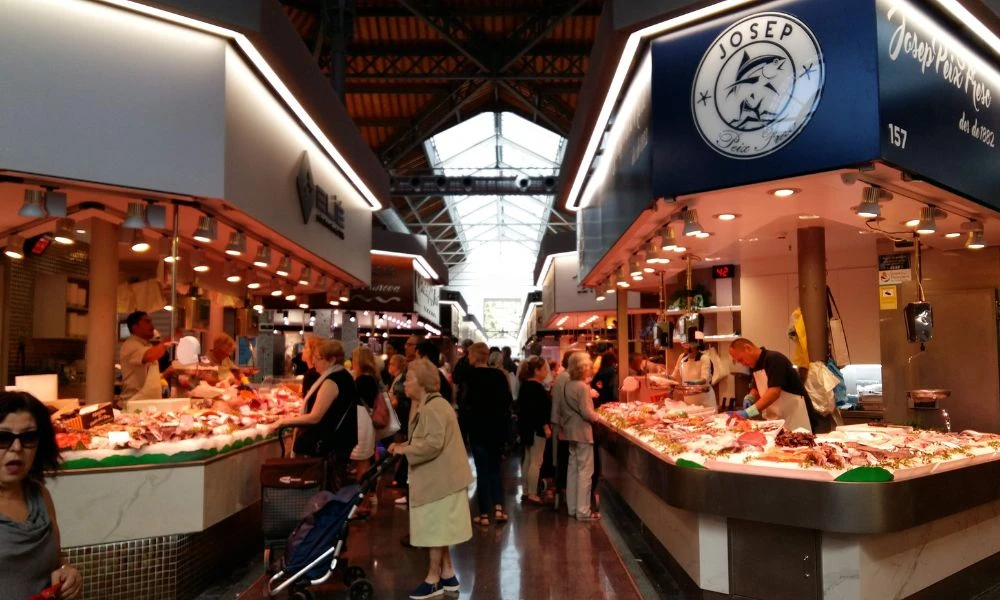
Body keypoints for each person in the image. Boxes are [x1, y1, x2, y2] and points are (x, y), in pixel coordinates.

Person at [388, 359, 473, 600]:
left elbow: (433, 444)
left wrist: (405, 450)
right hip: (443, 479)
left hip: (441, 481)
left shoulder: (434, 407)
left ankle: (432, 579)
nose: (405, 383)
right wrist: (404, 445)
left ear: (423, 382)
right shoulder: (432, 404)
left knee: (435, 530)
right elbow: (426, 439)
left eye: (410, 378)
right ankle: (449, 575)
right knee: (440, 529)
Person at [0, 392, 83, 600]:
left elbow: (56, 561)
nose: (16, 448)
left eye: (28, 437)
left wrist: (67, 572)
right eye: (3, 438)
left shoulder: (40, 496)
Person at [278, 339, 359, 490]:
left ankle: (327, 511)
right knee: (335, 482)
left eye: (318, 358)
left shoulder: (332, 381)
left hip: (330, 443)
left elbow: (315, 417)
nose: (314, 361)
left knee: (328, 484)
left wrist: (283, 421)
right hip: (342, 440)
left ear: (332, 359)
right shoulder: (342, 375)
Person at [465, 342, 513, 526]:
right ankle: (499, 508)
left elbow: (466, 403)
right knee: (495, 468)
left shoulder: (471, 377)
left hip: (478, 429)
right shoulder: (499, 376)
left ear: (475, 356)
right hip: (496, 429)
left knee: (482, 470)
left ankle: (484, 513)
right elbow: (507, 401)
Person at [728, 338, 816, 432]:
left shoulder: (774, 359)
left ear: (747, 348)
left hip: (796, 416)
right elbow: (756, 387)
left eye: (741, 360)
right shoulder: (754, 365)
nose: (743, 364)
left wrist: (749, 412)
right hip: (778, 418)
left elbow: (774, 392)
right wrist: (750, 397)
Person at [555, 352, 600, 521]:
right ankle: (583, 511)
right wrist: (599, 417)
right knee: (585, 472)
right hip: (582, 432)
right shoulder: (582, 387)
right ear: (582, 368)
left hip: (569, 431)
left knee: (572, 469)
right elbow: (587, 413)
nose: (590, 369)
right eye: (588, 366)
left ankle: (572, 508)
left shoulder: (568, 384)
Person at [516, 356, 551, 505]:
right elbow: (540, 411)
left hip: (525, 428)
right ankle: (532, 493)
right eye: (543, 369)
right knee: (536, 461)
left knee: (528, 460)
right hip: (537, 429)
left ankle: (525, 491)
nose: (545, 372)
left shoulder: (524, 386)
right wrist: (545, 426)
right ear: (536, 371)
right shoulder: (537, 388)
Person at [119, 311, 173, 401]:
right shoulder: (130, 344)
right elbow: (149, 355)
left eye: (151, 322)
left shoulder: (147, 345)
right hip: (134, 402)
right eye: (147, 322)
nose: (152, 326)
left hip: (149, 403)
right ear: (135, 327)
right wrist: (169, 340)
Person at [350, 346, 378, 515]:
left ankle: (363, 503)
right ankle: (368, 498)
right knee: (364, 464)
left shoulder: (362, 381)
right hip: (366, 424)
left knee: (362, 466)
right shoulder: (372, 379)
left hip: (361, 425)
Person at [671, 336, 716, 409]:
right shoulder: (682, 357)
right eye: (683, 344)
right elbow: (673, 375)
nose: (684, 347)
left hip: (705, 401)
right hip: (689, 400)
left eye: (686, 345)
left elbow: (704, 379)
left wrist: (692, 383)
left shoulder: (704, 358)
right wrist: (663, 379)